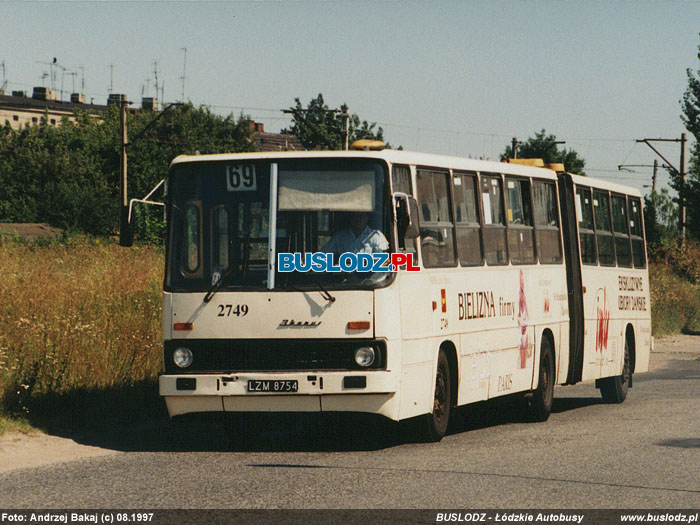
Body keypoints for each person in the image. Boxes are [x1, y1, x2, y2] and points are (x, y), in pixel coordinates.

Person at [322, 212, 389, 257]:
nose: (358, 219)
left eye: (361, 216)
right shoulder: (339, 237)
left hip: (372, 277)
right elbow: (323, 256)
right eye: (355, 216)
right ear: (350, 218)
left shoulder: (376, 237)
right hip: (344, 277)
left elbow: (383, 261)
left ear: (367, 217)